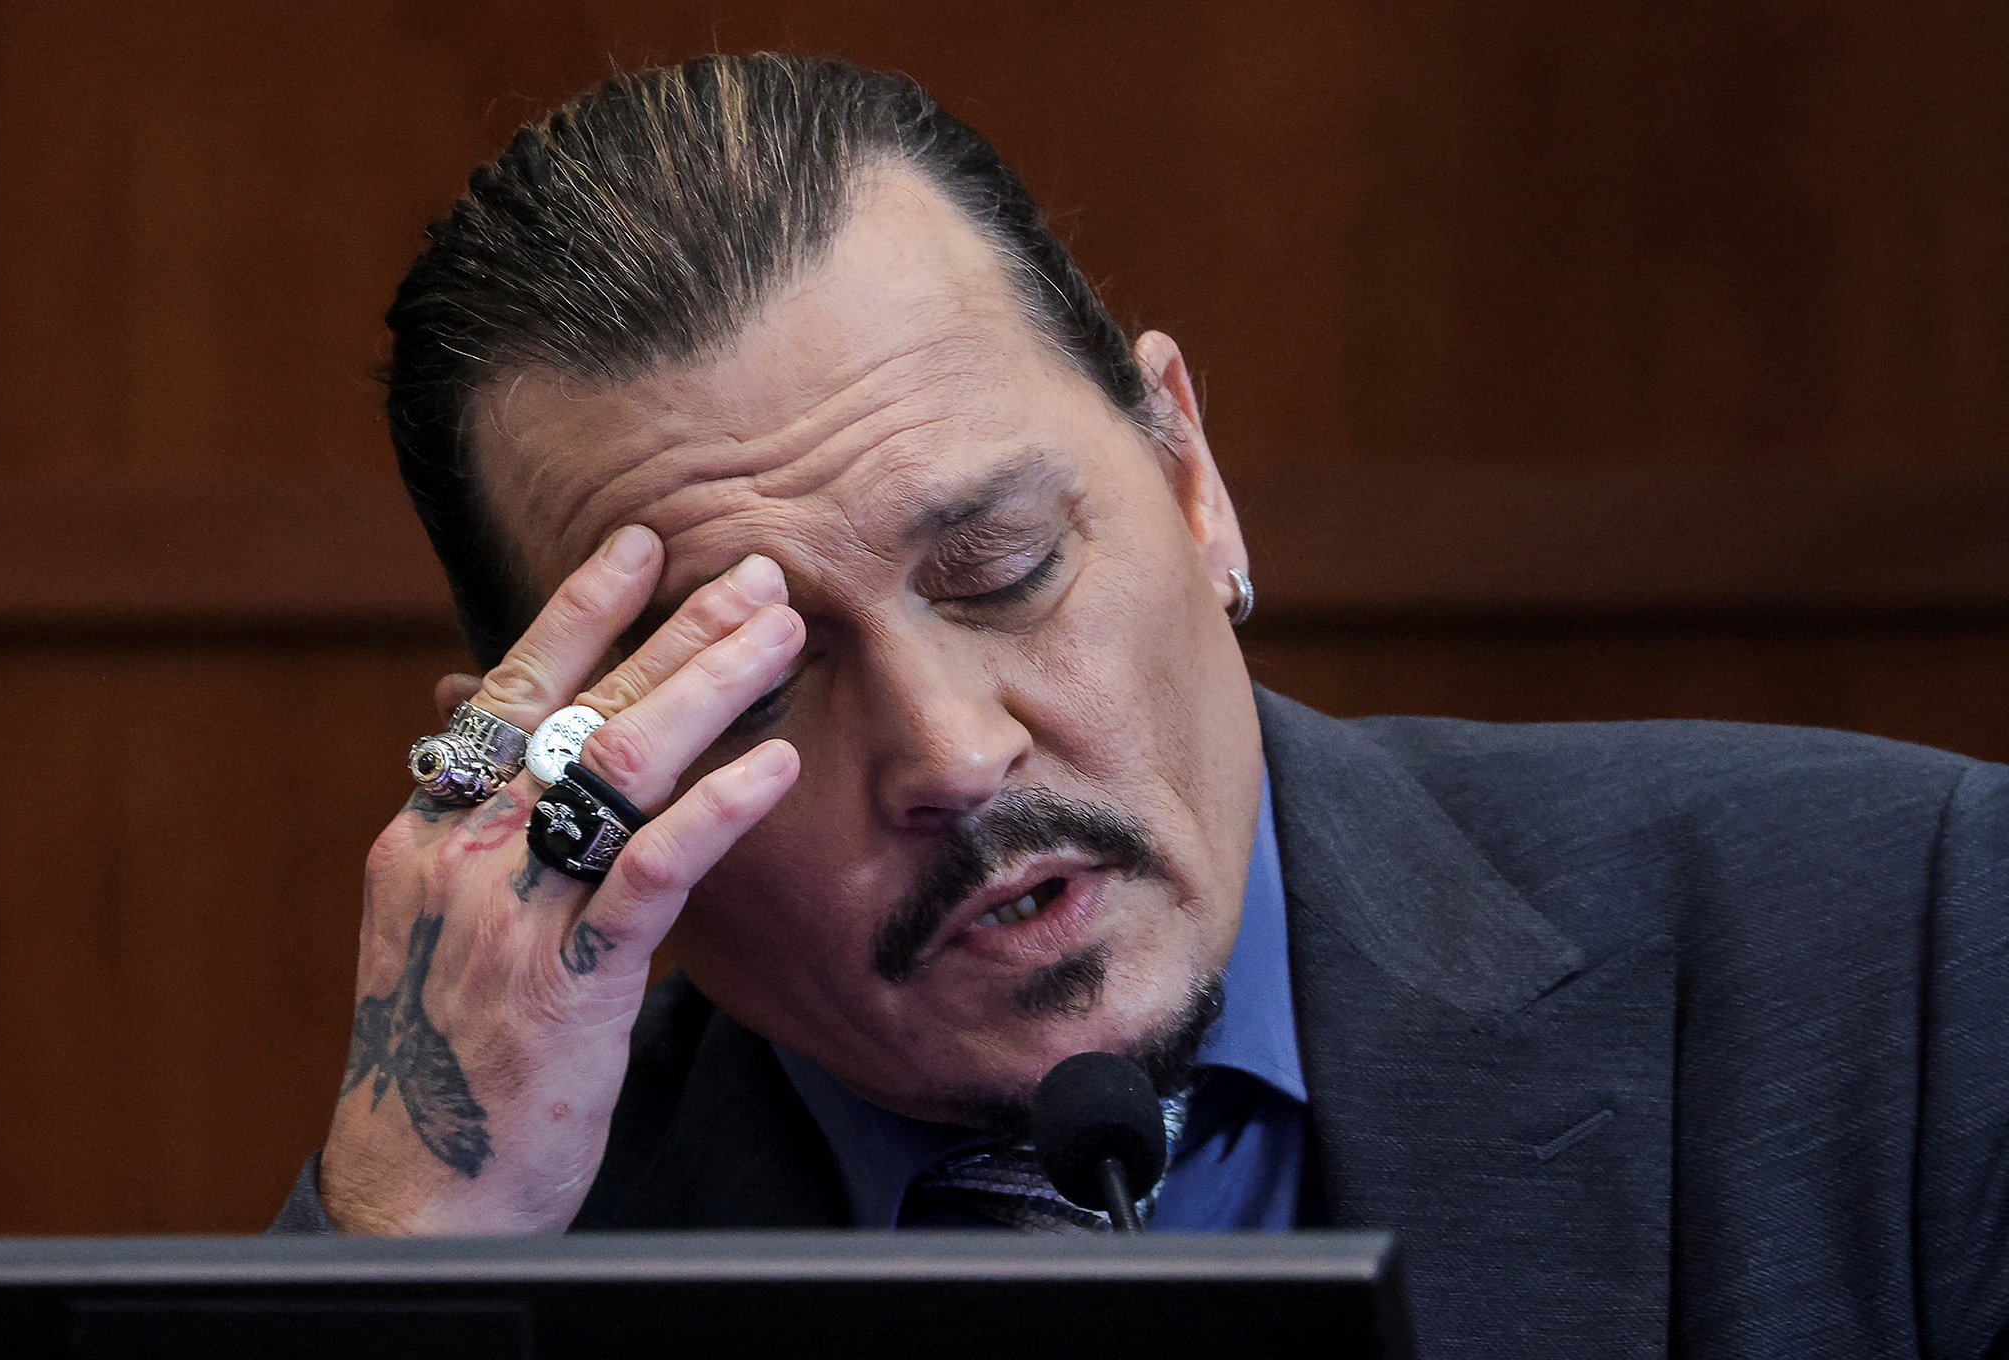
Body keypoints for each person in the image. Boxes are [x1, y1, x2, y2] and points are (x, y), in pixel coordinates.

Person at [278, 53, 2009, 1359]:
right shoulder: (488, 1242)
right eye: (758, 678)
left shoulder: (1917, 942)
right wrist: (414, 1238)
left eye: (1006, 565)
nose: (955, 757)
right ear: (565, 767)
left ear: (1190, 475)